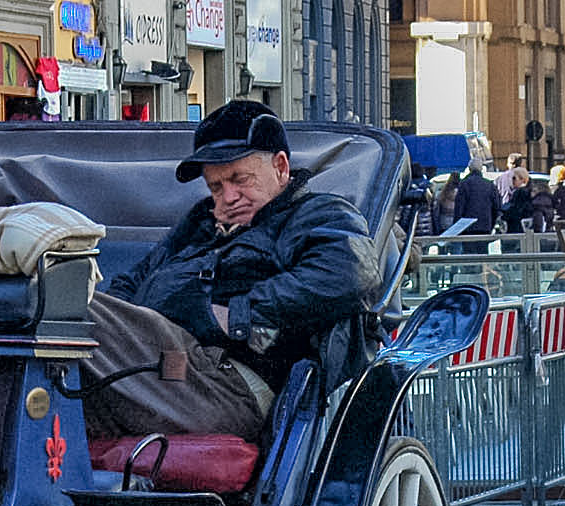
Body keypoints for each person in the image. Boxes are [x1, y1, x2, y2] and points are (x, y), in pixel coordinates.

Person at [84, 100, 377, 440]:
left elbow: (351, 271)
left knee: (60, 308)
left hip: (226, 381)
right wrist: (121, 320)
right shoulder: (201, 222)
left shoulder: (317, 214)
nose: (228, 197)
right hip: (158, 363)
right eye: (216, 187)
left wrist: (235, 314)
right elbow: (135, 277)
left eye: (240, 179)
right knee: (53, 319)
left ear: (281, 167)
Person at [454, 161, 502, 234]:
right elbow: (496, 207)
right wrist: (491, 224)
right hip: (485, 225)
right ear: (481, 169)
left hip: (467, 227)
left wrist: (457, 227)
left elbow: (459, 207)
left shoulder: (464, 184)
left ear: (469, 169)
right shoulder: (490, 185)